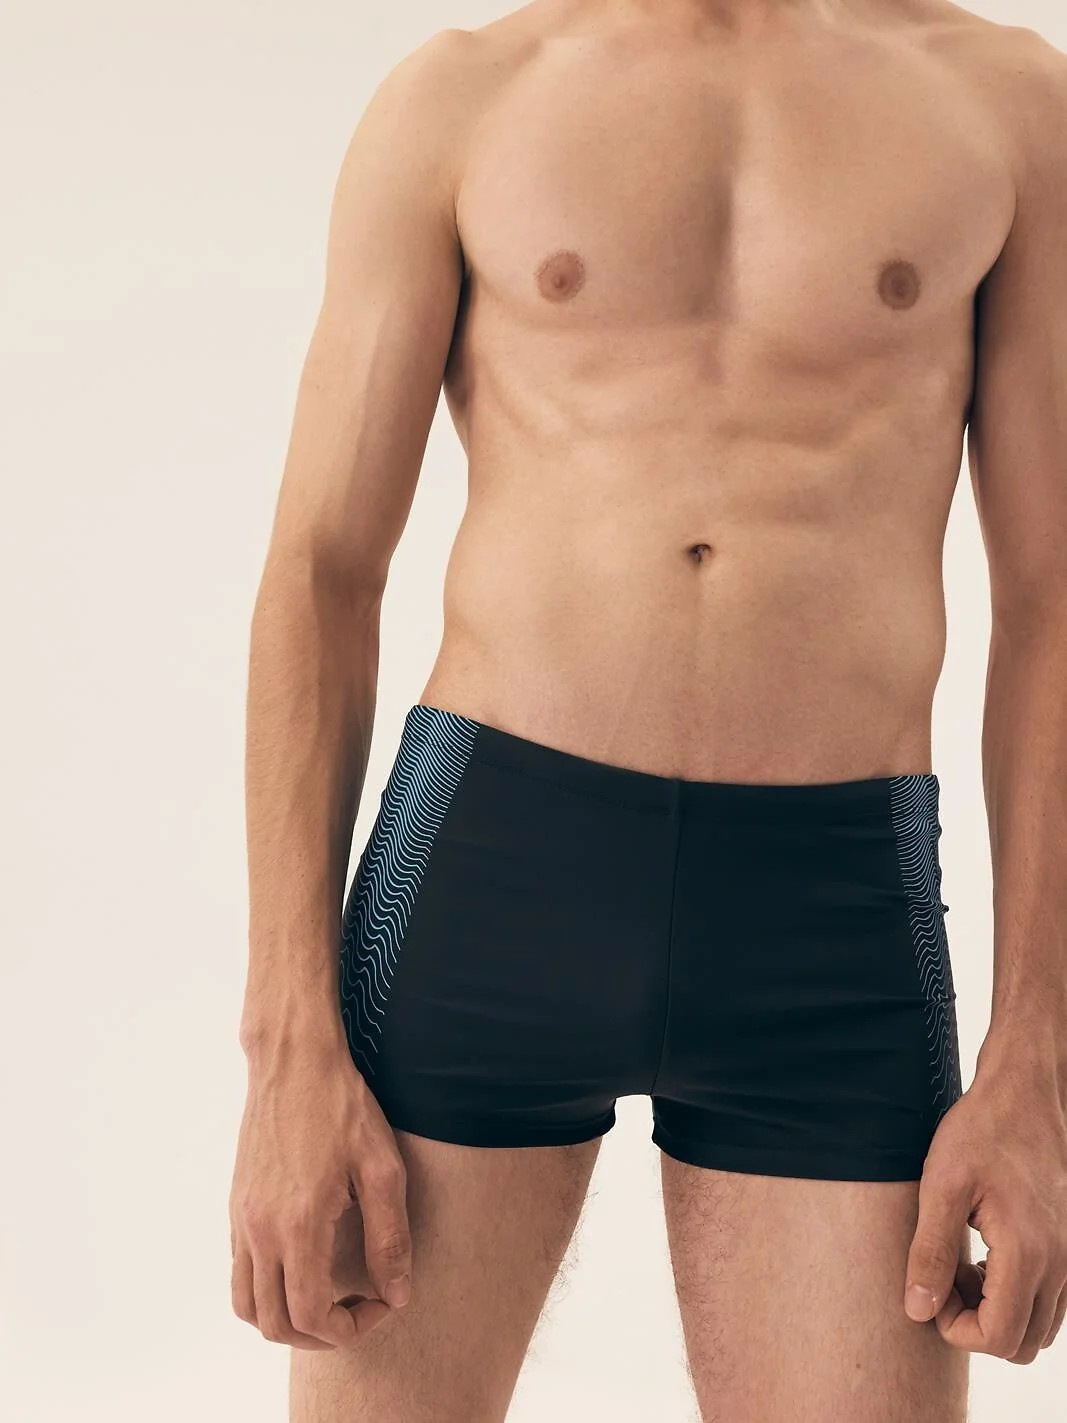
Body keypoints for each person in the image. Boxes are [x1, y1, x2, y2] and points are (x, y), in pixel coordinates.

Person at [228, 1, 1067, 1418]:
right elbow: (321, 570)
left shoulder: (1007, 106)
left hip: (834, 920)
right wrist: (287, 1049)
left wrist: (1038, 1066)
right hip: (490, 873)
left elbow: (1053, 603)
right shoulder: (464, 99)